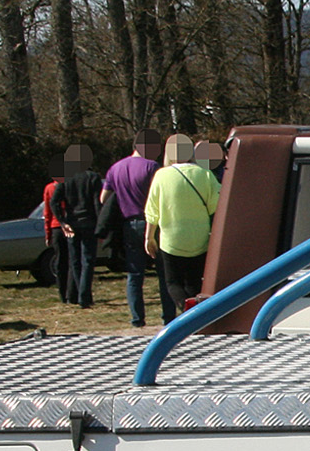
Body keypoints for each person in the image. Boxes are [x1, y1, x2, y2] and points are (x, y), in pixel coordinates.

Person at [144, 133, 221, 318]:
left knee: (172, 282)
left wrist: (149, 237)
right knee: (194, 282)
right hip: (199, 238)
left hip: (171, 239)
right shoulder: (205, 174)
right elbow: (215, 206)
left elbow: (152, 210)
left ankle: (186, 312)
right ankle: (197, 314)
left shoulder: (161, 175)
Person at [101, 129, 162, 326]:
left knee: (134, 274)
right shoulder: (152, 167)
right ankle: (168, 316)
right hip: (152, 223)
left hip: (128, 223)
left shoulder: (115, 168)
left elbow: (104, 198)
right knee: (162, 272)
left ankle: (137, 318)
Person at [48, 144, 105, 308]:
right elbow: (97, 203)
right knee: (88, 260)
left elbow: (54, 201)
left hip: (71, 222)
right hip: (88, 222)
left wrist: (62, 221)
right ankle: (84, 296)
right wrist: (100, 225)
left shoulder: (66, 177)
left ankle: (81, 294)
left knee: (75, 261)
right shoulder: (93, 177)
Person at [40, 166, 68, 302]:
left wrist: (48, 233)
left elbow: (47, 212)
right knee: (72, 260)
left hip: (56, 227)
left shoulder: (49, 189)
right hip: (68, 226)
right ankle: (73, 291)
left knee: (60, 260)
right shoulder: (69, 186)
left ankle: (62, 292)